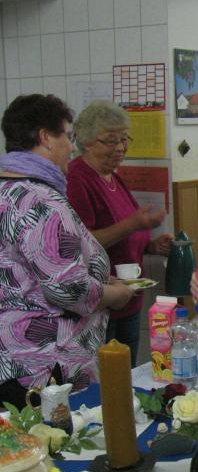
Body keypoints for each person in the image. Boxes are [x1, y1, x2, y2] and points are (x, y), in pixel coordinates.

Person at [0, 94, 133, 392]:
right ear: (46, 138)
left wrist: (96, 276)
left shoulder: (6, 190)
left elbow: (25, 271)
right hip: (45, 366)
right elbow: (68, 289)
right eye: (68, 137)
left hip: (9, 360)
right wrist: (115, 294)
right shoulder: (42, 201)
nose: (72, 147)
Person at [67, 101, 173, 365]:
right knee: (109, 377)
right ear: (86, 141)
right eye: (111, 141)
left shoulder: (113, 177)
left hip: (129, 299)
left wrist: (151, 246)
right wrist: (133, 225)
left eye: (124, 139)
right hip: (102, 302)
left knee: (127, 374)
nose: (121, 147)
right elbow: (81, 243)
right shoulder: (77, 178)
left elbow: (125, 235)